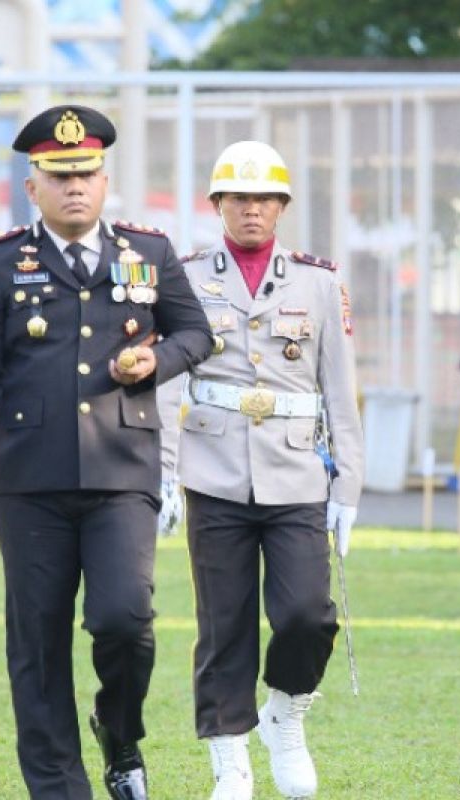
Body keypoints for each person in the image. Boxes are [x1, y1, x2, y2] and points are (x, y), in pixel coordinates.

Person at [0, 104, 214, 799]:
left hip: (123, 470)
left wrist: (155, 362)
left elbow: (197, 335)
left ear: (105, 179)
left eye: (86, 174)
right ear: (34, 186)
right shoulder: (1, 263)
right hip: (30, 480)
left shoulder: (147, 252)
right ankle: (59, 788)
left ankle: (119, 732)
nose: (75, 187)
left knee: (124, 617)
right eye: (59, 177)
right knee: (37, 641)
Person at [157, 141, 364, 800]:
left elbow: (341, 390)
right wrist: (163, 472)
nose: (252, 209)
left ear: (281, 206)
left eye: (264, 198)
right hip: (213, 469)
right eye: (238, 198)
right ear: (218, 205)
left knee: (308, 613)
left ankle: (286, 714)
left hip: (297, 469)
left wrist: (349, 486)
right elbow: (165, 384)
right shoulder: (185, 276)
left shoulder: (319, 282)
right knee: (224, 623)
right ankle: (230, 760)